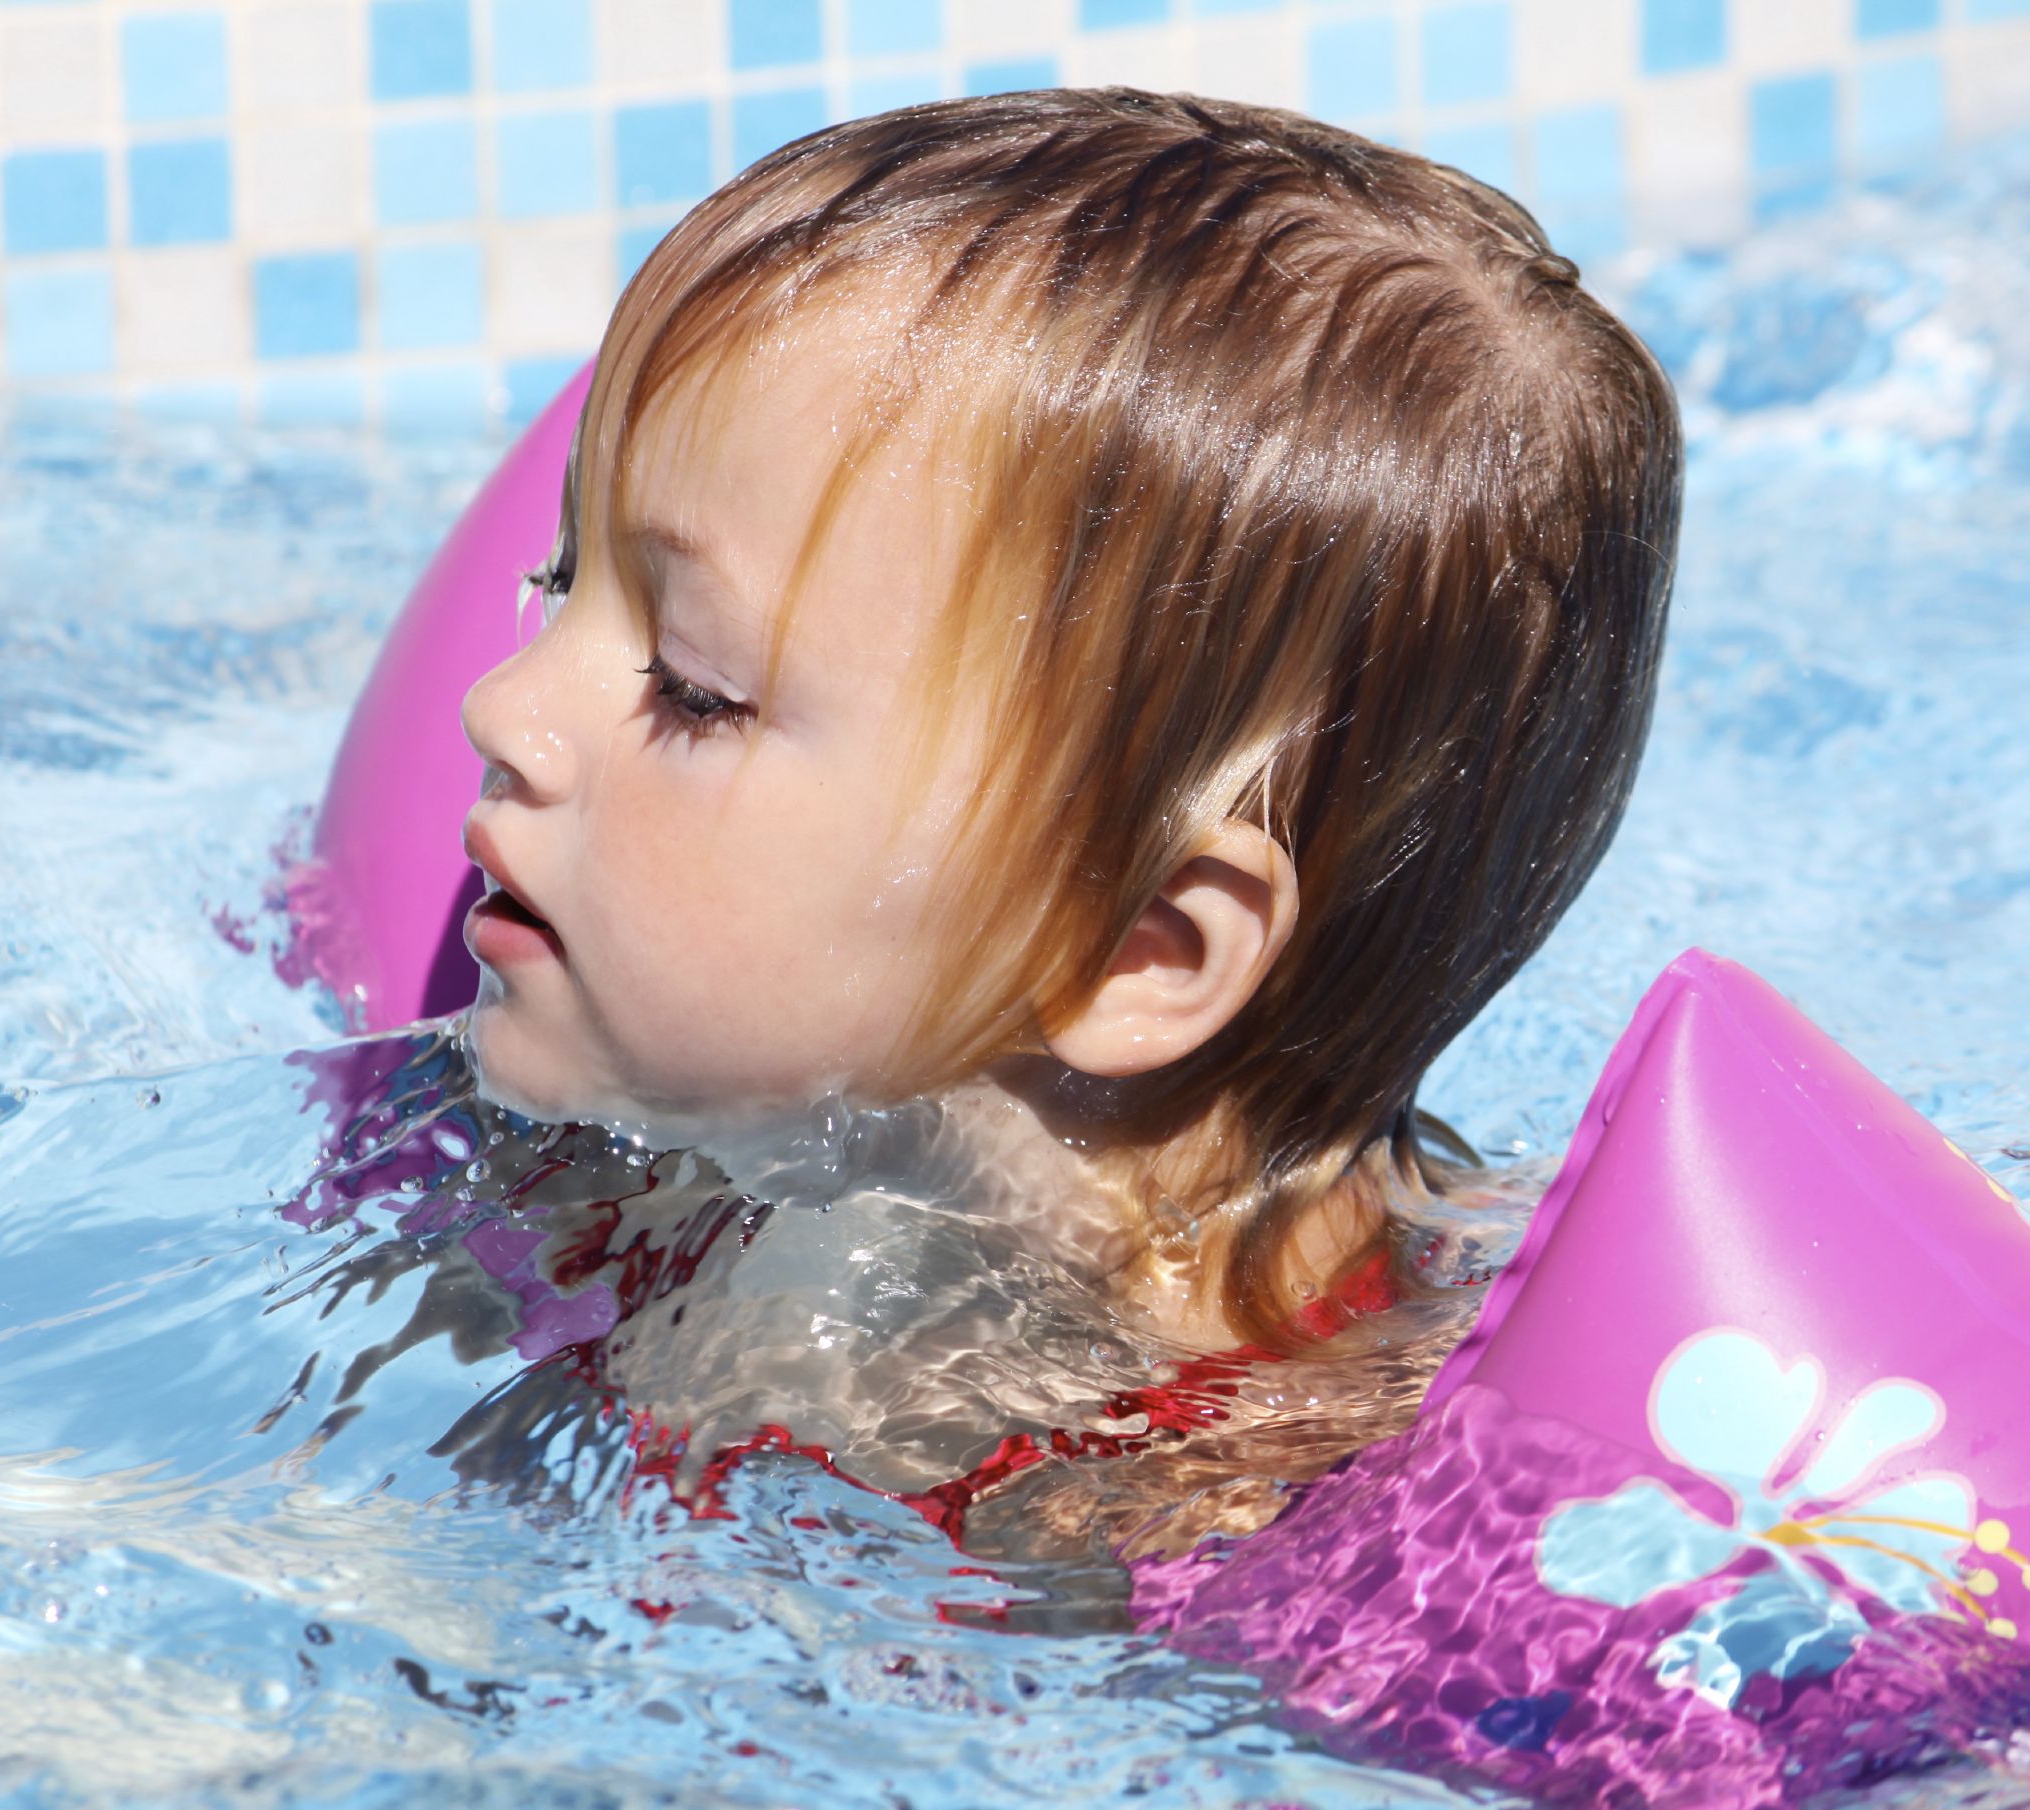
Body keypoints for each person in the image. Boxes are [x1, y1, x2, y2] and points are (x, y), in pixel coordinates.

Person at [444, 87, 1679, 1486]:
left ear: (1133, 948)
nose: (504, 707)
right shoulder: (725, 1167)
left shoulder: (1176, 1489)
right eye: (558, 584)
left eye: (692, 685)